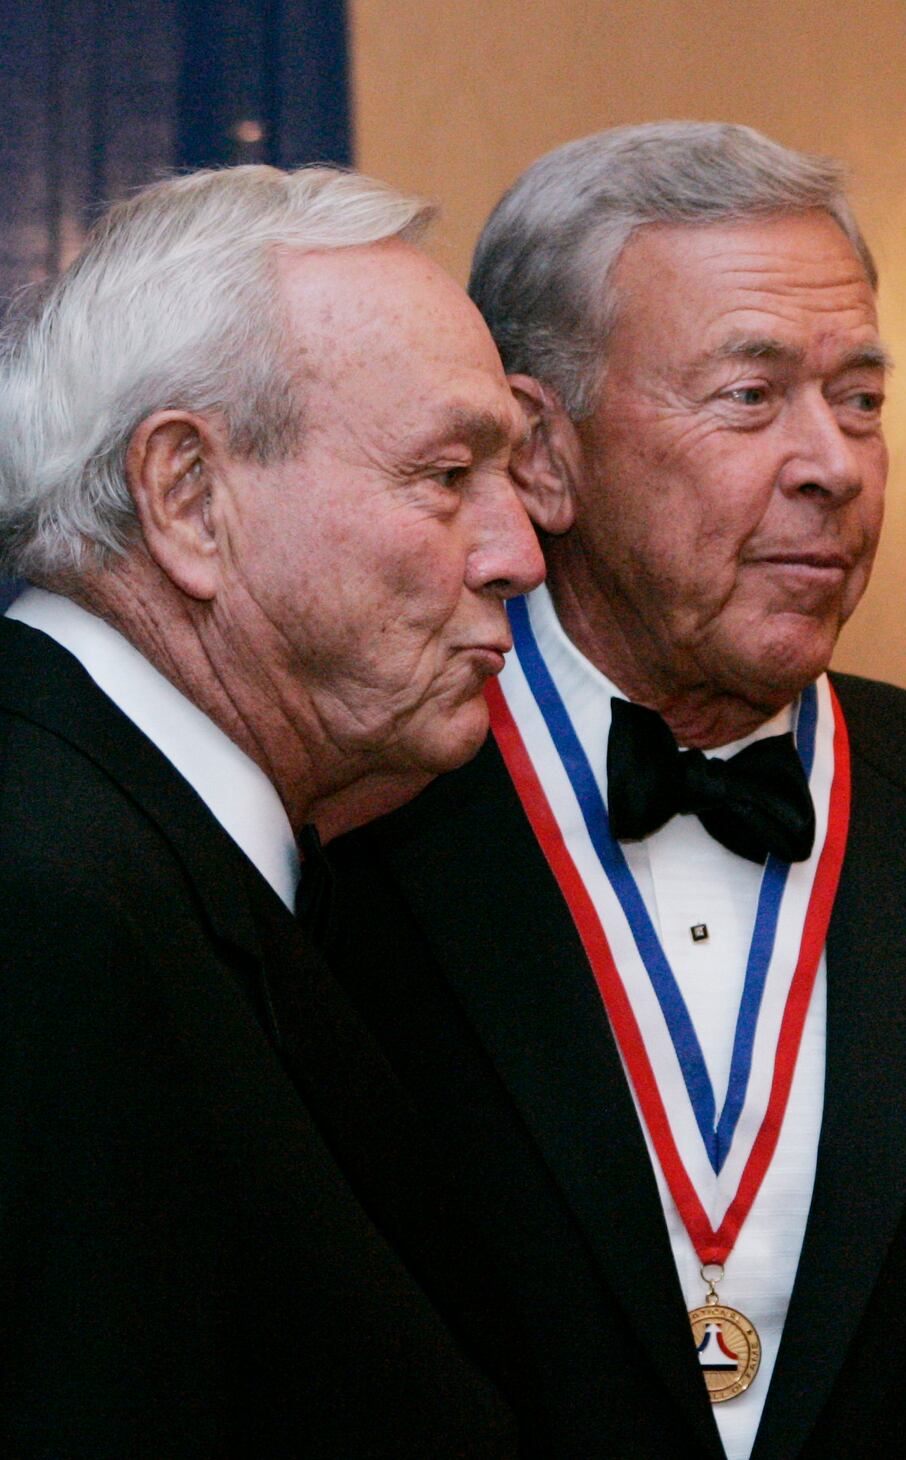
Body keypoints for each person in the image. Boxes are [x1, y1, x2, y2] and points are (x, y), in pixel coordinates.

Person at [327, 122, 906, 1460]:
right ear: (542, 451)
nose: (837, 463)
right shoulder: (351, 827)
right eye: (751, 397)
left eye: (859, 398)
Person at [0, 166, 547, 1454]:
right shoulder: (48, 904)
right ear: (188, 496)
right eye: (446, 470)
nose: (517, 548)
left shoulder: (143, 851)